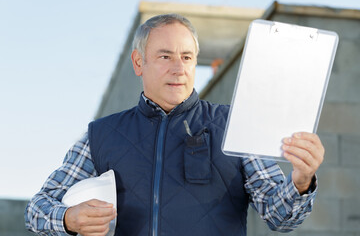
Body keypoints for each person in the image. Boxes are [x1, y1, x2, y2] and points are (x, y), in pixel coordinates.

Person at [25, 13, 324, 236]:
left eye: (187, 57)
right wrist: (67, 218)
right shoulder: (102, 135)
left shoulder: (234, 124)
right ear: (139, 62)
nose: (179, 69)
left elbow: (279, 215)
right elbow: (37, 208)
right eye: (165, 56)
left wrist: (300, 181)